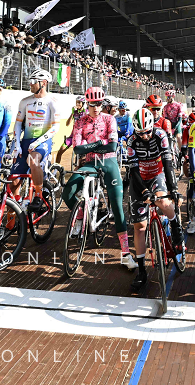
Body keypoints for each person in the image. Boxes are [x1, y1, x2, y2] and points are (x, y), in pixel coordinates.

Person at [61, 96, 132, 270]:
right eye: (92, 104)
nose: (95, 107)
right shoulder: (80, 121)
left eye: (98, 104)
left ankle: (126, 253)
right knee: (68, 192)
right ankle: (80, 215)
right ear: (87, 104)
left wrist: (89, 145)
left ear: (102, 104)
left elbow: (112, 147)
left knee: (117, 206)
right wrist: (100, 143)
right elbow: (77, 148)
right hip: (90, 163)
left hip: (109, 162)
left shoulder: (109, 119)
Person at [123, 108, 182, 292]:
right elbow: (133, 171)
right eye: (141, 133)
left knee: (163, 202)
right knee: (140, 227)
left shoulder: (161, 135)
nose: (145, 136)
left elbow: (168, 163)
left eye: (148, 131)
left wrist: (173, 189)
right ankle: (142, 271)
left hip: (157, 175)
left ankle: (175, 225)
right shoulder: (131, 141)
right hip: (139, 179)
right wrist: (144, 192)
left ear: (152, 127)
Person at [10, 69, 61, 210]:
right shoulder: (25, 101)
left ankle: (38, 195)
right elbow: (18, 124)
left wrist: (38, 142)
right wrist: (17, 145)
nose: (30, 84)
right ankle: (14, 212)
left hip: (42, 141)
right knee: (13, 182)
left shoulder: (52, 102)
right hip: (26, 140)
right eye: (30, 81)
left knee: (33, 160)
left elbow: (56, 127)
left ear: (43, 83)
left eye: (33, 81)